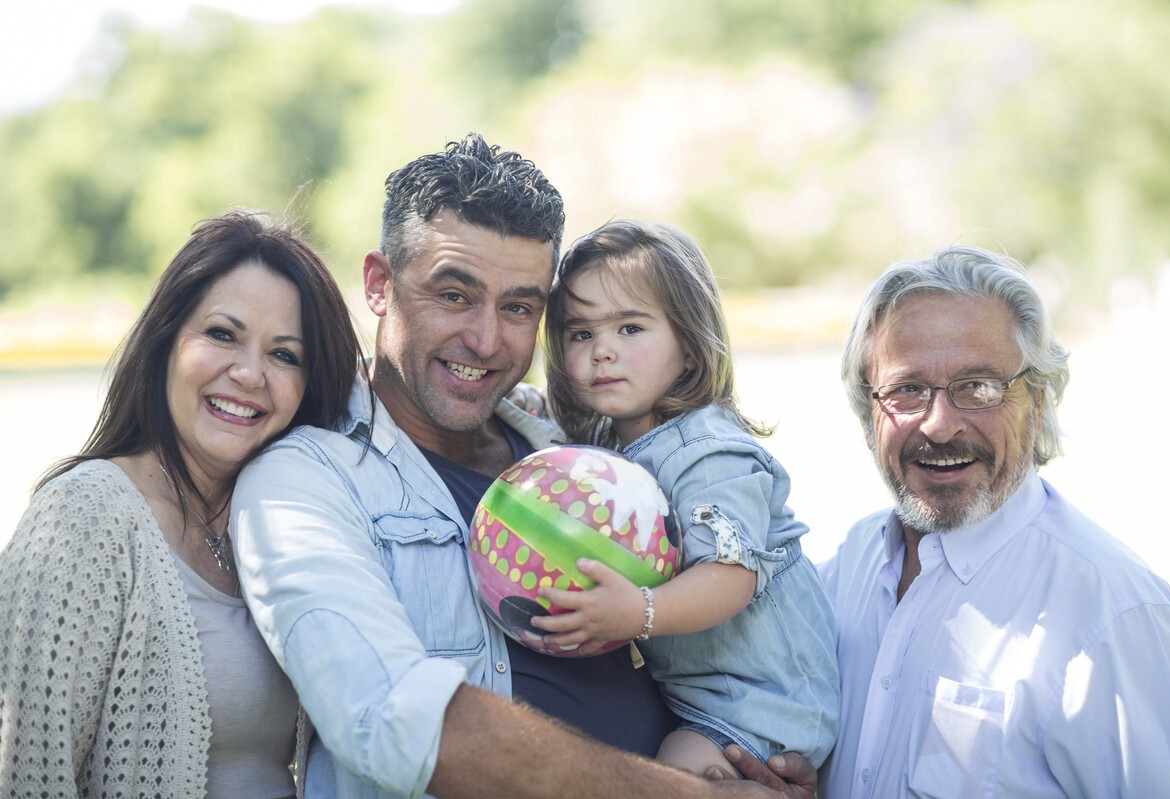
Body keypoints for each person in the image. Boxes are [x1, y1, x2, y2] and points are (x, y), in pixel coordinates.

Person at [229, 133, 810, 799]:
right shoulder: (303, 483)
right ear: (379, 284)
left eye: (519, 307)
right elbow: (391, 719)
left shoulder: (578, 445)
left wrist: (755, 748)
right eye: (454, 294)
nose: (486, 339)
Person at [807, 245, 1170, 796]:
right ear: (867, 413)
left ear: (1038, 403)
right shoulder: (845, 568)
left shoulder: (1112, 613)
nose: (939, 425)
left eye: (979, 387)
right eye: (906, 390)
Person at [0, 210, 363, 797]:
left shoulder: (282, 525)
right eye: (222, 334)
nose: (248, 373)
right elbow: (27, 773)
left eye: (285, 355)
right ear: (166, 341)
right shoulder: (83, 518)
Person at [531, 219, 838, 776]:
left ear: (691, 347)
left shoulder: (709, 454)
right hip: (698, 695)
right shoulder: (607, 444)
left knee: (669, 779)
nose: (602, 351)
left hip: (762, 704)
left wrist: (637, 612)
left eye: (629, 329)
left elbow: (731, 574)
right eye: (581, 334)